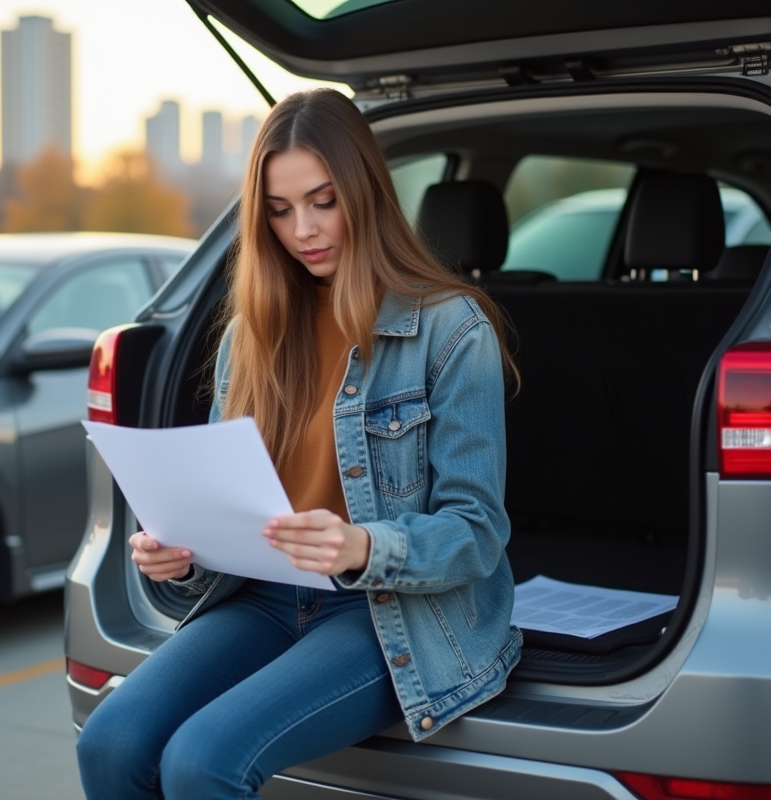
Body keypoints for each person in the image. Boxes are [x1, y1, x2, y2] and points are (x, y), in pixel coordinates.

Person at [75, 88, 522, 800]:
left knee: (201, 761)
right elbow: (229, 507)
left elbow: (477, 531)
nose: (304, 230)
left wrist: (363, 547)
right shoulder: (250, 336)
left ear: (366, 194)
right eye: (280, 211)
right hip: (262, 597)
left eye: (323, 201)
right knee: (111, 742)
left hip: (385, 608)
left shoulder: (451, 330)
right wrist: (179, 556)